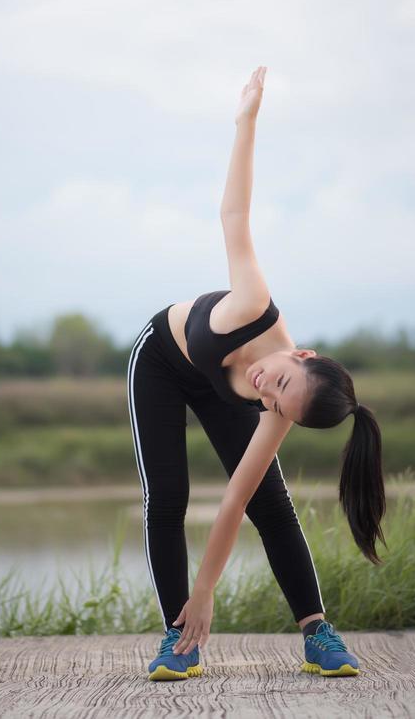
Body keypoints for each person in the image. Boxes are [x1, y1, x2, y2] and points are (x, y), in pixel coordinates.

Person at [127, 66, 386, 681]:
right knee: (167, 496)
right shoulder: (253, 305)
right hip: (160, 362)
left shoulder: (277, 408)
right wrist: (245, 122)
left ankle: (317, 632)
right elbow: (233, 216)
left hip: (211, 387)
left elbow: (234, 502)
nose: (270, 394)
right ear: (302, 354)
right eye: (281, 384)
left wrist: (210, 586)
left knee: (271, 503)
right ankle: (179, 639)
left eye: (282, 409)